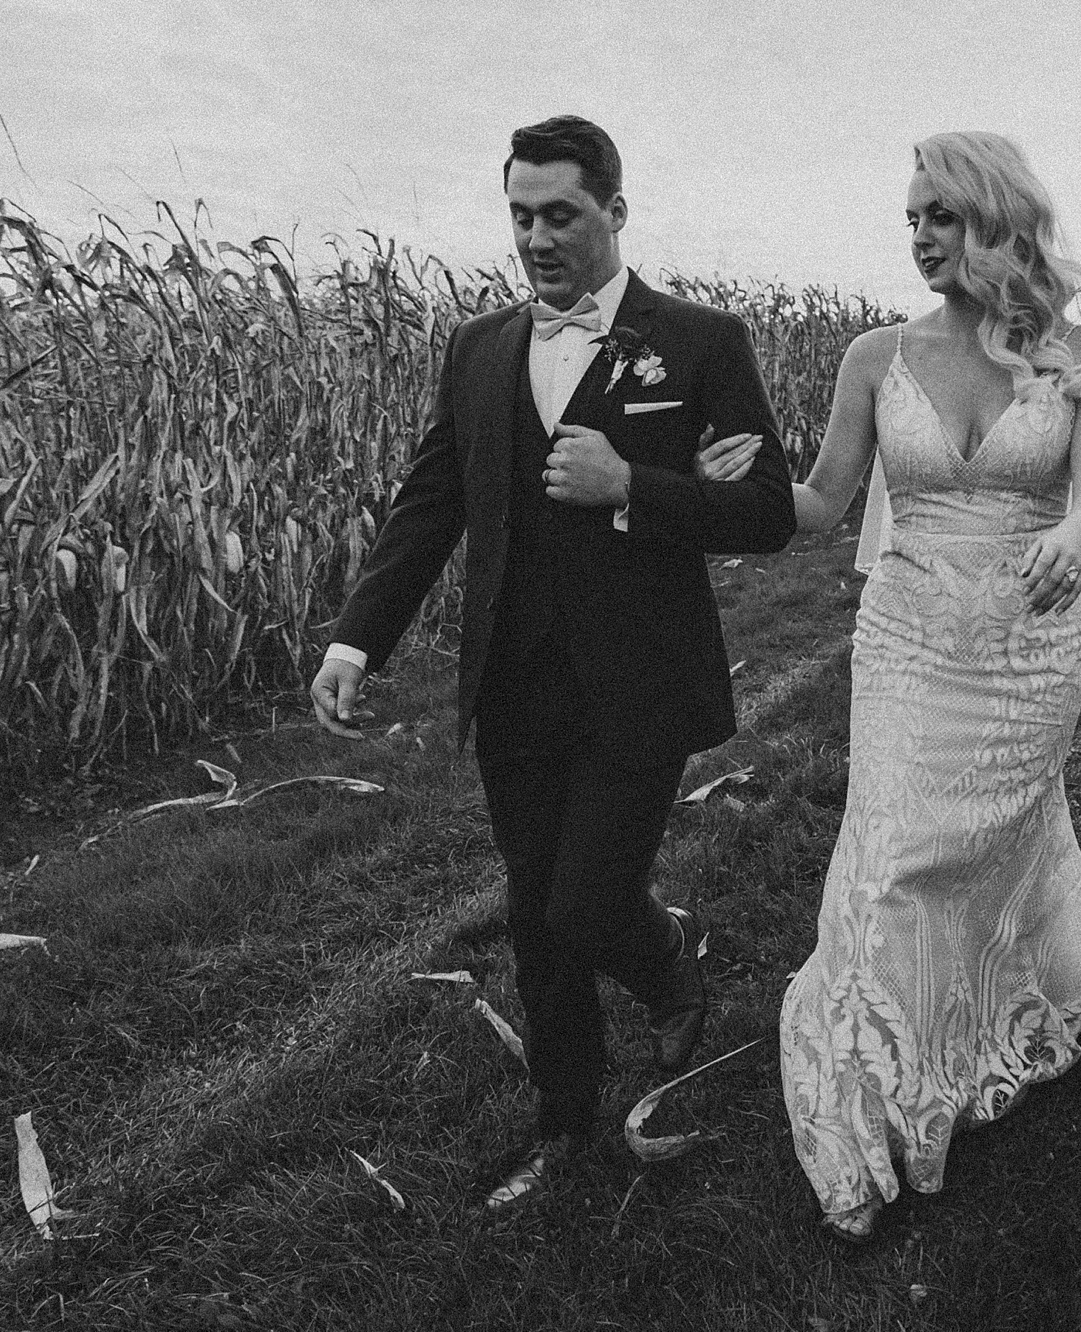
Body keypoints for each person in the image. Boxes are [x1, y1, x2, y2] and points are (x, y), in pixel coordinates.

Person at [310, 115, 796, 1211]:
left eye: (559, 214)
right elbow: (431, 499)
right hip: (515, 682)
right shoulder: (478, 349)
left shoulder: (701, 341)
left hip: (641, 676)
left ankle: (667, 962)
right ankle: (564, 1127)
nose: (535, 237)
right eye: (519, 215)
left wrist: (635, 485)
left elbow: (765, 511)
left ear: (615, 212)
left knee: (584, 904)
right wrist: (356, 637)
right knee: (537, 919)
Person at [697, 131, 1081, 1243]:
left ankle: (1015, 992)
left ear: (993, 220)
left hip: (1023, 644)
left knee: (999, 834)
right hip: (903, 643)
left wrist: (1073, 543)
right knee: (893, 860)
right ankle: (876, 1093)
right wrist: (727, 485)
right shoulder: (872, 357)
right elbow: (817, 503)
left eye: (937, 217)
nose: (917, 238)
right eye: (908, 219)